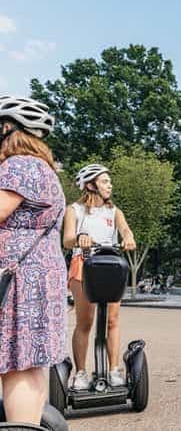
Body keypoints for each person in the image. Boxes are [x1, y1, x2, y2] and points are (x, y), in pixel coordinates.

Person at [0, 95, 66, 425]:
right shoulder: (40, 168)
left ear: (7, 129)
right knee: (27, 363)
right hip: (34, 278)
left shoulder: (20, 166)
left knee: (17, 365)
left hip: (19, 283)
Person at [62, 163, 137, 390]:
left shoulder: (114, 212)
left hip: (109, 265)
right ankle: (81, 373)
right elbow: (67, 240)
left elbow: (125, 230)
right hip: (83, 264)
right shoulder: (74, 209)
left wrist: (129, 238)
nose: (110, 185)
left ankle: (113, 370)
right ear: (90, 184)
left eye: (109, 181)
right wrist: (80, 237)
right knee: (85, 322)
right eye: (105, 181)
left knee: (112, 321)